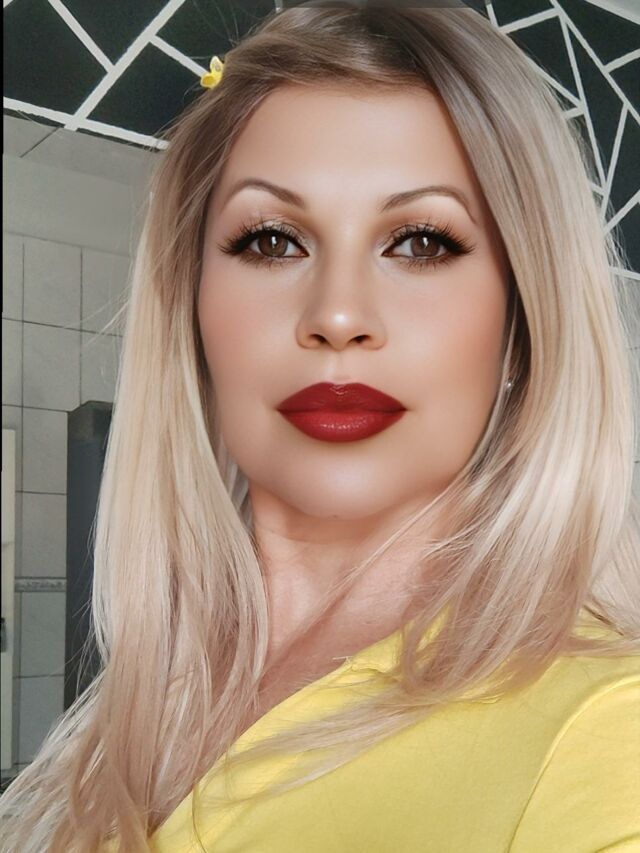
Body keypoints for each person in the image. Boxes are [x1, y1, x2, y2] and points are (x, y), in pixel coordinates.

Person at [1, 3, 638, 851]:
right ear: (191, 307)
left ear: (522, 323)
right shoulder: (131, 717)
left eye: (421, 241)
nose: (338, 315)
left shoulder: (606, 735)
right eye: (272, 240)